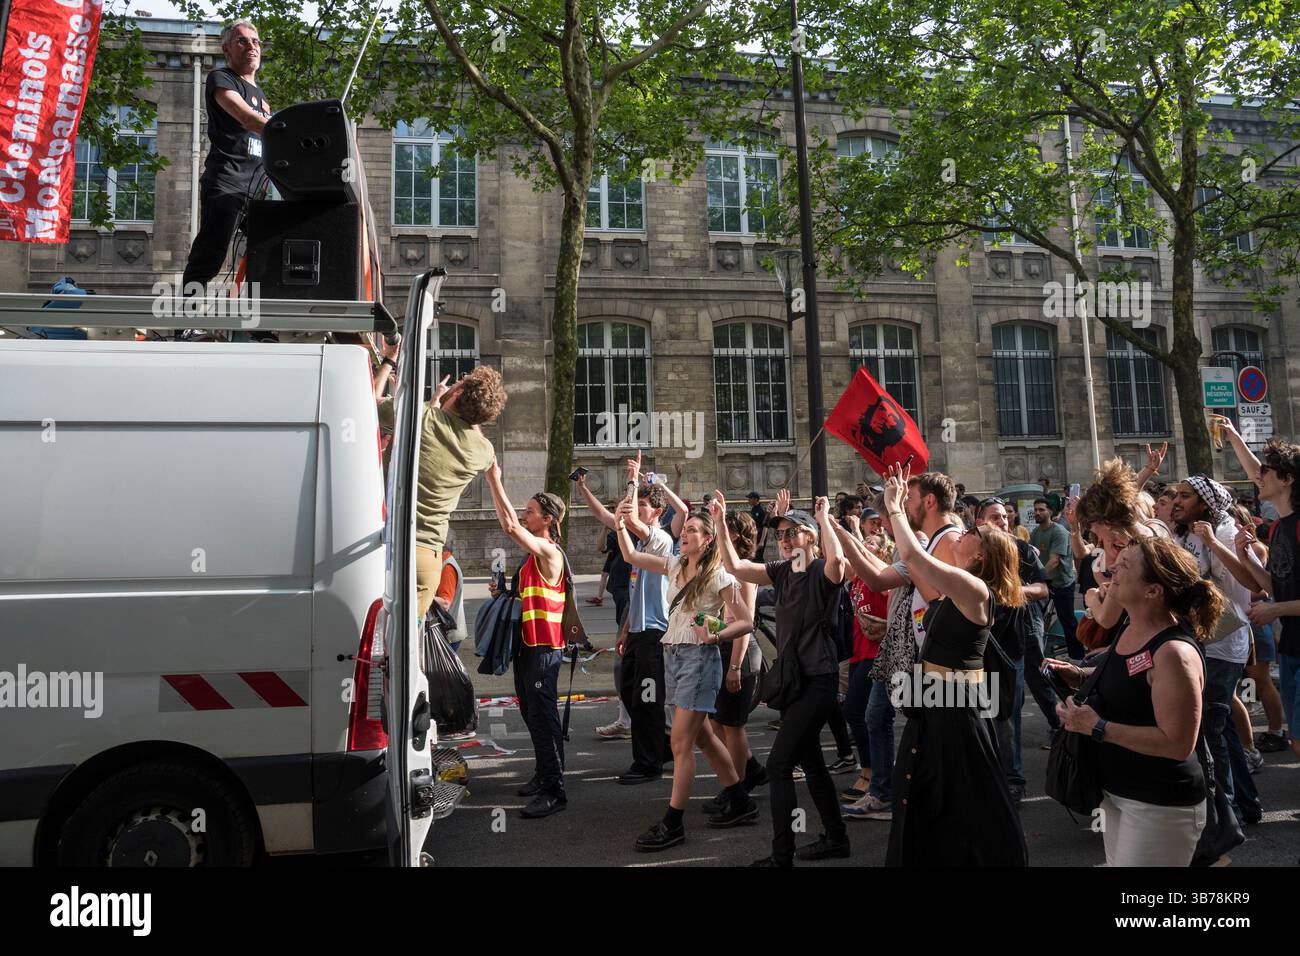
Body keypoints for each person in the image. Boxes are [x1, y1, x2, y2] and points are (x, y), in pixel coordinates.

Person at [881, 464, 1028, 866]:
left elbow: (910, 555)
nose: (960, 534)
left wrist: (894, 507)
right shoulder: (957, 584)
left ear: (980, 553)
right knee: (922, 793)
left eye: (969, 534)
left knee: (959, 798)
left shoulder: (973, 587)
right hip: (936, 703)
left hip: (955, 712)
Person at [1047, 537, 1219, 866]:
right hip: (1118, 792)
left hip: (1159, 802)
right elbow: (1128, 679)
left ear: (1153, 590)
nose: (1112, 568)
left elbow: (1178, 743)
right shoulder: (1130, 628)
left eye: (1125, 565)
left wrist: (1096, 727)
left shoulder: (1173, 653)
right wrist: (1080, 677)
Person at [714, 496, 851, 867]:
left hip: (819, 680)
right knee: (813, 764)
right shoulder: (783, 570)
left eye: (793, 533)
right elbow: (737, 567)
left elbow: (839, 563)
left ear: (810, 537)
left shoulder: (821, 569)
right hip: (794, 680)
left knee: (778, 766)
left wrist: (824, 519)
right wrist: (721, 528)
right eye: (781, 535)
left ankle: (782, 855)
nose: (785, 540)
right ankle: (837, 838)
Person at [616, 508, 757, 850]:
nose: (685, 534)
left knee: (679, 743)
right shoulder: (675, 565)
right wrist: (620, 523)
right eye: (685, 530)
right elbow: (631, 555)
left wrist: (716, 632)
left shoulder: (719, 576)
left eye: (693, 530)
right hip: (672, 656)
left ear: (708, 540)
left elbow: (746, 622)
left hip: (699, 659)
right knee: (705, 738)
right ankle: (740, 801)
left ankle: (673, 823)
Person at [1168, 474, 1262, 825]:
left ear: (1206, 504)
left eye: (1185, 496)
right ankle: (1248, 805)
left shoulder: (1224, 533)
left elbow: (1255, 585)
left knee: (1210, 729)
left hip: (1224, 643)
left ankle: (1227, 815)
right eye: (1175, 495)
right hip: (1200, 642)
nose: (1177, 501)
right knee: (1220, 730)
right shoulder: (1181, 534)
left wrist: (1215, 544)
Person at [578, 454, 674, 783]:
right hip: (638, 632)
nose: (637, 510)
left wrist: (633, 480)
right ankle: (661, 747)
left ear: (657, 512)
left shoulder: (660, 540)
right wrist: (624, 630)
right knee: (634, 695)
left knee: (646, 700)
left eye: (644, 506)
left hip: (655, 635)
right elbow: (612, 517)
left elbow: (625, 518)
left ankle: (647, 764)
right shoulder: (639, 540)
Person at [1211, 418, 1300, 762]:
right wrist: (1246, 557)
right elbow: (1270, 585)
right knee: (1296, 743)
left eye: (1268, 472)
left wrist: (1273, 610)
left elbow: (1274, 602)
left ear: (1288, 479)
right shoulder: (1277, 528)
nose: (1258, 477)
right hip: (1291, 649)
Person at [484, 462, 569, 819]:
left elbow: (509, 526)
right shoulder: (533, 556)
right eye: (525, 512)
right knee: (531, 713)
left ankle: (555, 790)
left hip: (544, 648)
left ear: (547, 519)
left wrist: (494, 479)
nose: (524, 515)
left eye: (531, 512)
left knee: (543, 715)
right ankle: (544, 773)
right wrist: (505, 590)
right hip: (527, 645)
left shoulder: (549, 553)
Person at [182, 19, 271, 294]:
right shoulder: (221, 79)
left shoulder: (261, 95)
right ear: (227, 50)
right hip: (226, 182)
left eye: (255, 42)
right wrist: (289, 130)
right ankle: (185, 322)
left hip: (257, 190)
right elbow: (246, 119)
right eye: (242, 41)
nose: (251, 47)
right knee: (212, 250)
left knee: (265, 254)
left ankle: (260, 329)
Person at [414, 368, 506, 620]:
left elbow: (372, 404)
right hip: (428, 553)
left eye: (459, 382)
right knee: (407, 643)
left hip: (386, 544)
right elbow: (478, 440)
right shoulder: (482, 452)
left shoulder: (419, 417)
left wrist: (435, 400)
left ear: (458, 392)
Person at [977, 497, 1050, 802]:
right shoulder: (972, 553)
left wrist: (1012, 592)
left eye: (1006, 517)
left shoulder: (1022, 550)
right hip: (976, 649)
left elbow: (1044, 588)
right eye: (995, 517)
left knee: (1008, 717)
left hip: (1011, 648)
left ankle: (1014, 780)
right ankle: (985, 778)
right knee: (980, 716)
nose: (1003, 522)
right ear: (980, 522)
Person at [701, 510, 769, 815]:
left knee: (732, 726)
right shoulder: (724, 568)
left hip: (740, 651)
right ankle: (751, 768)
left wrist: (735, 667)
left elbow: (745, 623)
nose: (716, 536)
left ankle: (738, 788)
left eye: (721, 530)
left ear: (736, 538)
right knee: (717, 723)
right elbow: (723, 621)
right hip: (725, 648)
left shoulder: (744, 571)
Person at [1032, 496, 1082, 660]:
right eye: (1036, 509)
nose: (1037, 513)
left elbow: (1054, 561)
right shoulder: (1035, 532)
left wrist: (1038, 578)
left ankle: (1077, 658)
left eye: (1041, 510)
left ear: (1050, 512)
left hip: (1062, 583)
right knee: (1035, 619)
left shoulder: (1058, 531)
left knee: (1068, 622)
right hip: (1046, 582)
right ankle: (1039, 656)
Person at [432, 543, 467, 653]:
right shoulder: (447, 564)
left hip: (449, 634)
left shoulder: (447, 568)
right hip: (450, 632)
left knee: (443, 670)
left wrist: (423, 596)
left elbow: (445, 603)